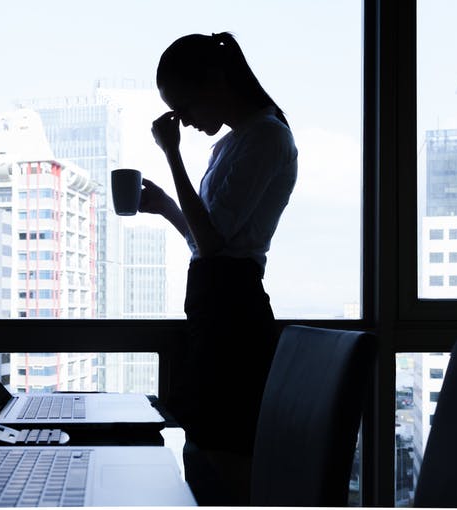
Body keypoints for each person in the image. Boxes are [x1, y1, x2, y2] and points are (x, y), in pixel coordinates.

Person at [139, 32, 298, 505]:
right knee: (205, 452)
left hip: (234, 316)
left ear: (213, 82)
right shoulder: (234, 144)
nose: (183, 120)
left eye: (183, 105)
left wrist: (171, 155)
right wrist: (167, 206)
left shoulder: (266, 136)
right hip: (217, 311)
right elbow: (204, 238)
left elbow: (211, 242)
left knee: (225, 460)